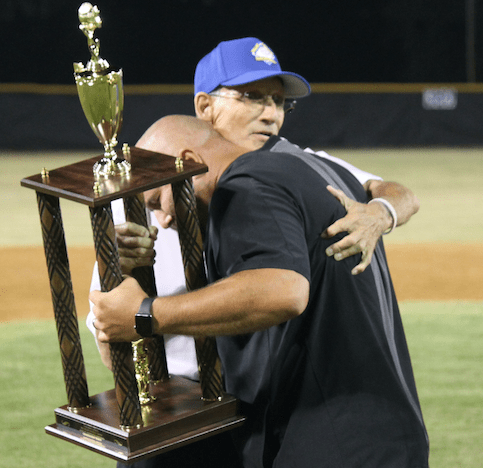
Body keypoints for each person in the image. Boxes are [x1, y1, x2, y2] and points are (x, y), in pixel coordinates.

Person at [90, 115, 429, 468]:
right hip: (381, 430)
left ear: (188, 162)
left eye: (158, 201)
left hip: (333, 439)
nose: (162, 219)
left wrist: (145, 314)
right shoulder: (321, 170)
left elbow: (283, 291)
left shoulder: (245, 184)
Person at [87, 37, 419, 374]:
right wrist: (116, 269)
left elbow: (399, 194)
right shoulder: (154, 179)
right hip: (176, 386)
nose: (271, 115)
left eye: (279, 101)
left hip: (265, 388)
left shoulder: (300, 164)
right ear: (205, 106)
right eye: (253, 97)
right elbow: (111, 338)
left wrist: (380, 212)